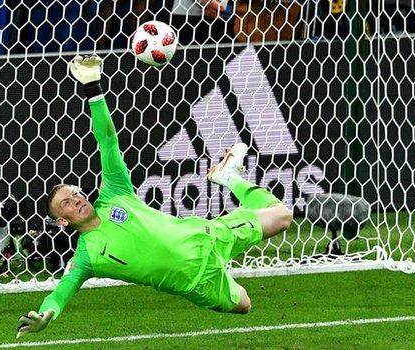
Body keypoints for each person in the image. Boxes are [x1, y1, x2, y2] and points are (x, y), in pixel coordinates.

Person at [16, 55, 293, 338]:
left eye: (75, 193)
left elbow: (108, 140)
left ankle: (228, 177)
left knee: (283, 215)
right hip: (196, 281)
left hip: (206, 235)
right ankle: (226, 177)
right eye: (67, 202)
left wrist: (92, 88)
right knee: (244, 305)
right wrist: (47, 313)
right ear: (62, 221)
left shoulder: (114, 192)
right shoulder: (86, 256)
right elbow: (62, 291)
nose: (76, 199)